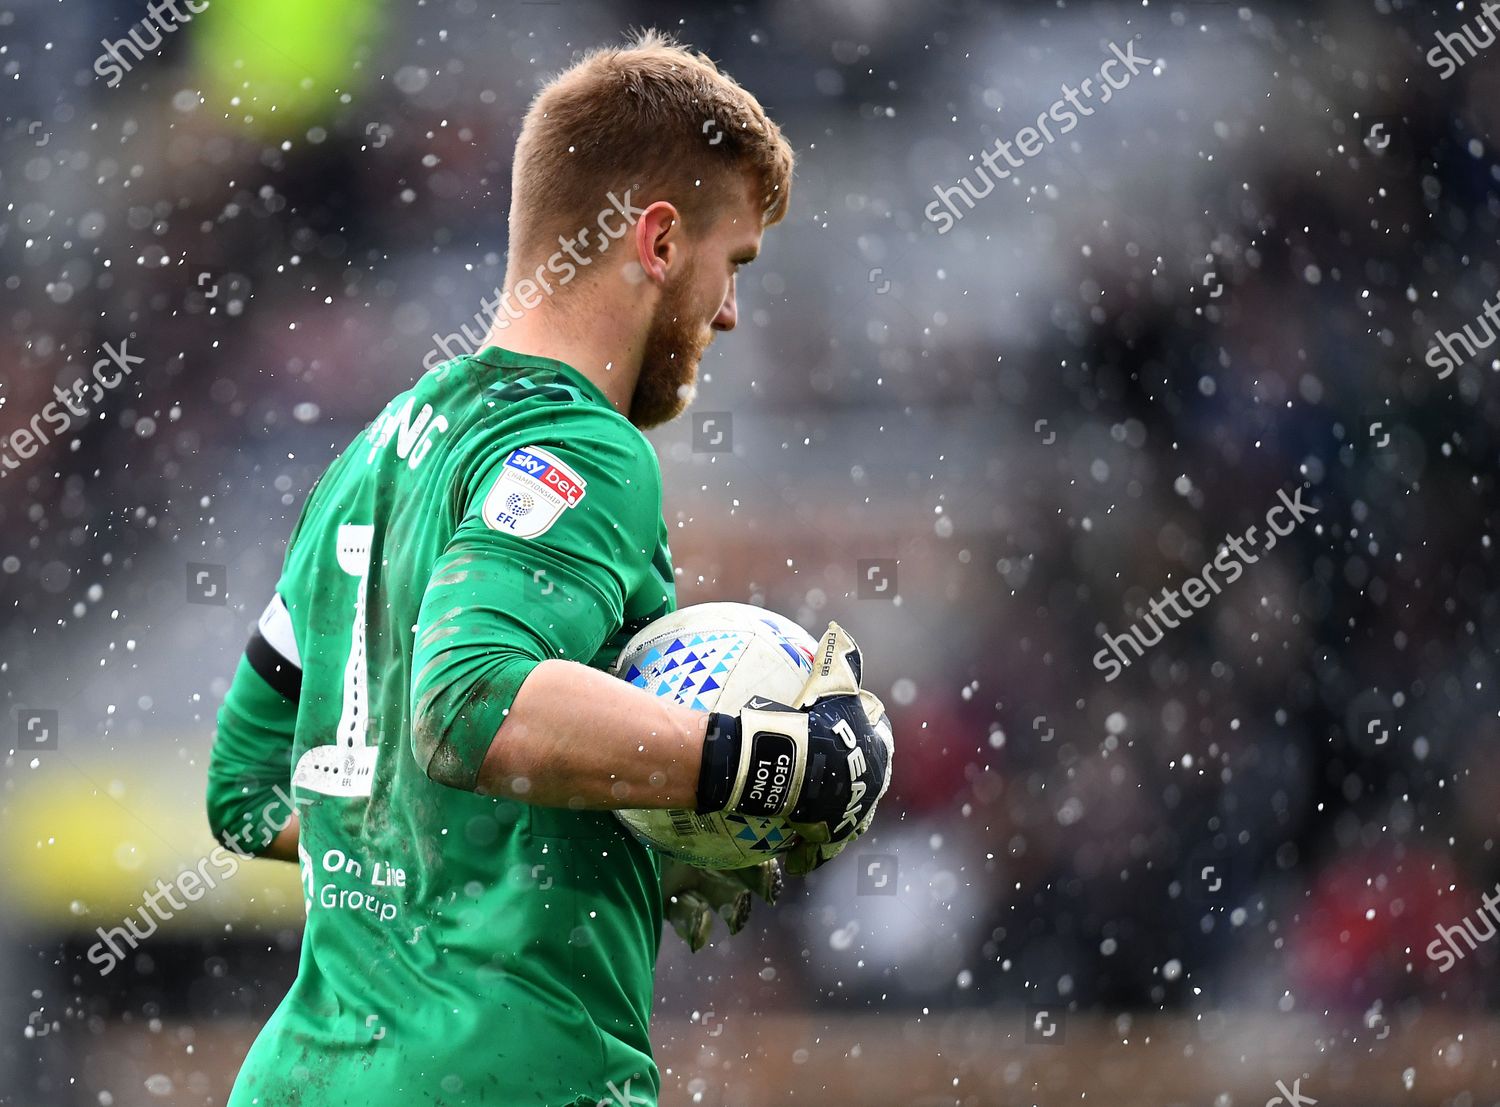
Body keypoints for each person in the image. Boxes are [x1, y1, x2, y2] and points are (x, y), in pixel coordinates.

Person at [207, 29, 892, 1107]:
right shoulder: (585, 446)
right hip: (509, 1076)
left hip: (303, 1079)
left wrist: (609, 816)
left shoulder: (371, 455)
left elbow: (244, 791)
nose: (729, 312)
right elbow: (469, 704)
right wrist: (753, 764)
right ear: (659, 240)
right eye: (734, 264)